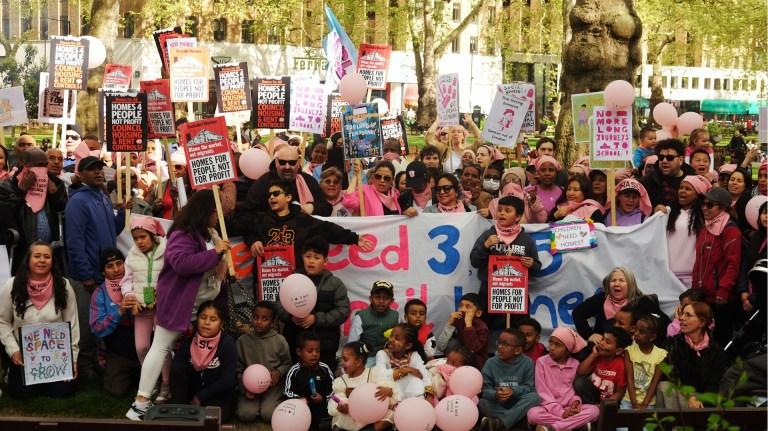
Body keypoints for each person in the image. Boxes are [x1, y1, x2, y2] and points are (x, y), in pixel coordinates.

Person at [127, 189, 231, 421]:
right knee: (161, 347)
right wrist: (215, 253)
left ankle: (188, 395)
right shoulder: (183, 233)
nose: (218, 217)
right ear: (207, 211)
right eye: (216, 212)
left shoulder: (205, 232)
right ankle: (141, 402)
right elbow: (181, 263)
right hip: (180, 305)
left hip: (201, 307)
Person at [66, 155, 128, 380]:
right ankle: (83, 365)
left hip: (102, 275)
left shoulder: (101, 196)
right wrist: (85, 274)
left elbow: (113, 230)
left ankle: (96, 360)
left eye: (100, 169)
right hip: (87, 277)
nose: (98, 172)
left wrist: (121, 213)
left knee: (101, 320)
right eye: (91, 170)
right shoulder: (77, 201)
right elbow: (74, 242)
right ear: (80, 175)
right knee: (85, 321)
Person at [0, 241, 79, 399]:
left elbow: (72, 323)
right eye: (37, 256)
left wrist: (72, 358)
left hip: (56, 357)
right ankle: (13, 372)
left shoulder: (63, 285)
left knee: (63, 392)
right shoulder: (12, 285)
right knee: (21, 394)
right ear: (28, 260)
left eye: (47, 256)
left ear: (52, 261)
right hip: (23, 356)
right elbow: (3, 321)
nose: (42, 260)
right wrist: (13, 350)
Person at [245, 180, 372, 277]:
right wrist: (253, 241)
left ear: (288, 197)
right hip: (267, 279)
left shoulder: (303, 220)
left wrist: (354, 238)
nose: (271, 197)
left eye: (276, 193)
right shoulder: (261, 219)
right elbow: (247, 231)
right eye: (269, 195)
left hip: (295, 278)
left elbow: (329, 229)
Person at [275, 237, 350, 370]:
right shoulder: (292, 280)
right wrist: (291, 317)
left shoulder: (335, 284)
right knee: (298, 381)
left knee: (325, 383)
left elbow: (343, 311)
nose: (311, 261)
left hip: (324, 345)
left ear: (325, 261)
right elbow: (279, 304)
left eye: (316, 257)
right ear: (302, 258)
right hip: (295, 343)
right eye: (308, 256)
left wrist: (315, 318)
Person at [119, 215, 171, 403]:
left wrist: (162, 297)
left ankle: (166, 385)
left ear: (153, 234)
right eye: (136, 238)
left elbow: (172, 278)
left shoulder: (167, 250)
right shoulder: (132, 254)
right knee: (141, 347)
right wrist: (129, 297)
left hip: (161, 309)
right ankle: (151, 381)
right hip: (141, 309)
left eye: (143, 237)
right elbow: (125, 281)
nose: (139, 242)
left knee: (161, 347)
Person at [470, 196, 541, 328]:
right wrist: (486, 246)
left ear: (518, 217)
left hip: (516, 293)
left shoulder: (526, 240)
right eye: (500, 210)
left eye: (507, 211)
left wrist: (532, 264)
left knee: (520, 330)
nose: (501, 213)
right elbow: (474, 262)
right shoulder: (487, 235)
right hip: (488, 292)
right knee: (482, 329)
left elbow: (537, 267)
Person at [0, 148, 68, 274]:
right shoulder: (8, 185)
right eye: (38, 165)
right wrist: (20, 192)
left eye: (44, 165)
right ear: (25, 164)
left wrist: (55, 194)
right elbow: (5, 215)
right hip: (21, 251)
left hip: (50, 250)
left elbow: (63, 212)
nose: (43, 169)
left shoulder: (56, 183)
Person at [691, 187, 742, 348]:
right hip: (703, 296)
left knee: (720, 342)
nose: (704, 207)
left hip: (721, 299)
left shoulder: (731, 230)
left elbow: (733, 264)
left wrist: (724, 289)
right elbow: (699, 262)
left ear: (722, 207)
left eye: (710, 205)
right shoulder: (707, 226)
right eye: (703, 204)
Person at [170, 301, 237, 422]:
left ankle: (192, 409)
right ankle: (179, 408)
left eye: (213, 319)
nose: (207, 323)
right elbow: (177, 371)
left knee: (213, 419)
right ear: (198, 319)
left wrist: (200, 397)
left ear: (221, 323)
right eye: (203, 317)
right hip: (192, 391)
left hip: (216, 394)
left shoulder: (227, 344)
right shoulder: (189, 341)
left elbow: (228, 381)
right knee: (178, 366)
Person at [89, 248, 141, 398]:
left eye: (120, 263)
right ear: (103, 272)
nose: (117, 269)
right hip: (118, 354)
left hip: (146, 349)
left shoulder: (141, 282)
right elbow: (96, 329)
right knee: (116, 391)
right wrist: (119, 312)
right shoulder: (99, 293)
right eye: (110, 266)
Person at [572, 267, 669, 347]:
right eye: (613, 280)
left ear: (630, 285)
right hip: (604, 348)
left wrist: (650, 346)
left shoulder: (641, 302)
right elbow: (577, 313)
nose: (616, 284)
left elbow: (663, 321)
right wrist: (590, 335)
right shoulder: (601, 299)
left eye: (622, 280)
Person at [657, 302, 728, 409]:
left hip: (703, 399)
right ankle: (677, 425)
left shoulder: (716, 351)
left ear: (702, 322)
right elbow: (672, 375)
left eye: (688, 315)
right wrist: (690, 396)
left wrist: (700, 400)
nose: (681, 318)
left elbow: (715, 384)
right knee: (665, 386)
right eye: (682, 314)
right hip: (681, 394)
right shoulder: (672, 343)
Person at [527, 327, 600, 431]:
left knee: (594, 410)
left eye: (558, 345)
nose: (551, 347)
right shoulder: (541, 362)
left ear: (568, 351)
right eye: (551, 343)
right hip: (548, 408)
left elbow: (573, 392)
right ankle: (576, 425)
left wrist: (575, 403)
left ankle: (552, 428)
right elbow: (542, 392)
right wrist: (561, 413)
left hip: (568, 408)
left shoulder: (575, 364)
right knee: (533, 414)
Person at [236, 301, 292, 423]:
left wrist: (278, 372)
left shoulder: (279, 340)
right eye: (256, 317)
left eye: (264, 319)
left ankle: (273, 402)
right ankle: (246, 403)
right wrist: (244, 389)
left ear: (272, 322)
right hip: (250, 387)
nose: (259, 322)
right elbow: (238, 369)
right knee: (246, 415)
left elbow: (287, 364)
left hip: (272, 387)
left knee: (268, 414)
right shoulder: (243, 341)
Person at [241, 145, 331, 217]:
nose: (287, 167)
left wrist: (313, 207)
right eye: (282, 162)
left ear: (298, 163)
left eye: (292, 163)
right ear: (276, 163)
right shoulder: (263, 183)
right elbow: (248, 214)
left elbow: (327, 208)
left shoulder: (309, 181)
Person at [479, 328, 541, 431]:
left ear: (518, 350)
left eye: (505, 344)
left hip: (519, 402)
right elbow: (484, 390)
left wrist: (513, 391)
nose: (499, 346)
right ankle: (518, 420)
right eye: (499, 342)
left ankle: (500, 422)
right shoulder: (490, 363)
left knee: (534, 398)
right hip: (499, 404)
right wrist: (495, 394)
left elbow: (530, 388)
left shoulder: (528, 363)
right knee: (482, 403)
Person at [329, 341, 396, 431]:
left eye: (345, 360)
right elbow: (338, 398)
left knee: (390, 415)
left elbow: (387, 386)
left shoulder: (373, 373)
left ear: (358, 362)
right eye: (341, 359)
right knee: (339, 420)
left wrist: (387, 390)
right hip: (352, 416)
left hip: (373, 414)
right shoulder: (341, 381)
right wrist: (341, 406)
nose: (342, 363)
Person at [284, 331, 335, 430]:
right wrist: (299, 400)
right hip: (301, 409)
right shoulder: (294, 371)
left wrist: (323, 398)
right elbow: (287, 392)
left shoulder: (325, 368)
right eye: (310, 351)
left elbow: (333, 389)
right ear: (299, 352)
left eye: (318, 350)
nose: (315, 354)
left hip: (322, 408)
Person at [666, 175, 709, 288]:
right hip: (668, 274)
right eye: (681, 187)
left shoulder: (703, 216)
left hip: (692, 277)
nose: (682, 191)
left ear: (697, 195)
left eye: (688, 189)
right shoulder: (670, 213)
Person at [376, 323, 432, 403]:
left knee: (417, 379)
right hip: (390, 393)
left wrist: (430, 397)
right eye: (391, 336)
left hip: (410, 393)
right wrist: (406, 370)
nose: (391, 340)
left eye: (397, 338)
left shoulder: (413, 356)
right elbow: (381, 375)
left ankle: (418, 403)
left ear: (408, 345)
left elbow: (424, 376)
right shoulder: (382, 354)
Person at [348, 280, 399, 367]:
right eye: (377, 297)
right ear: (370, 298)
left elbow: (401, 339)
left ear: (392, 301)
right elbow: (351, 344)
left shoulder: (396, 316)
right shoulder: (361, 316)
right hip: (367, 357)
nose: (381, 301)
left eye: (386, 298)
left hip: (389, 356)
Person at [574, 326, 631, 405]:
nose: (601, 343)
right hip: (595, 396)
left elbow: (619, 393)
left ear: (618, 351)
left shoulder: (621, 366)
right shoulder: (598, 356)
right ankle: (593, 408)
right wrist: (593, 355)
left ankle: (598, 412)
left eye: (607, 342)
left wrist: (603, 407)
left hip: (609, 402)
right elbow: (580, 372)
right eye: (602, 339)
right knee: (579, 382)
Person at [623, 315, 667, 410]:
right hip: (628, 400)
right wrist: (634, 404)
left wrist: (644, 405)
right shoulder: (629, 351)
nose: (636, 334)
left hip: (649, 402)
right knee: (623, 425)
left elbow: (655, 382)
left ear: (652, 337)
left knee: (645, 425)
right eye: (636, 329)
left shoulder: (661, 355)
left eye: (641, 332)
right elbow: (629, 379)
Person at [435, 293, 490, 369]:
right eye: (461, 306)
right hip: (458, 362)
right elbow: (441, 347)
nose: (463, 309)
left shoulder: (482, 327)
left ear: (478, 313)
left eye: (468, 307)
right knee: (453, 342)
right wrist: (449, 324)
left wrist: (468, 325)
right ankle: (451, 367)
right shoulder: (458, 321)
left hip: (476, 365)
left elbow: (472, 349)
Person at [641, 139, 695, 212]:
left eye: (670, 158)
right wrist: (653, 210)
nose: (664, 161)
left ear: (681, 160)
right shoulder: (648, 181)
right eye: (661, 157)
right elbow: (639, 208)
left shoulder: (694, 179)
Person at [727, 167, 752, 234]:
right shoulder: (721, 200)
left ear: (746, 185)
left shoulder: (749, 205)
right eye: (732, 179)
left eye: (739, 181)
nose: (734, 183)